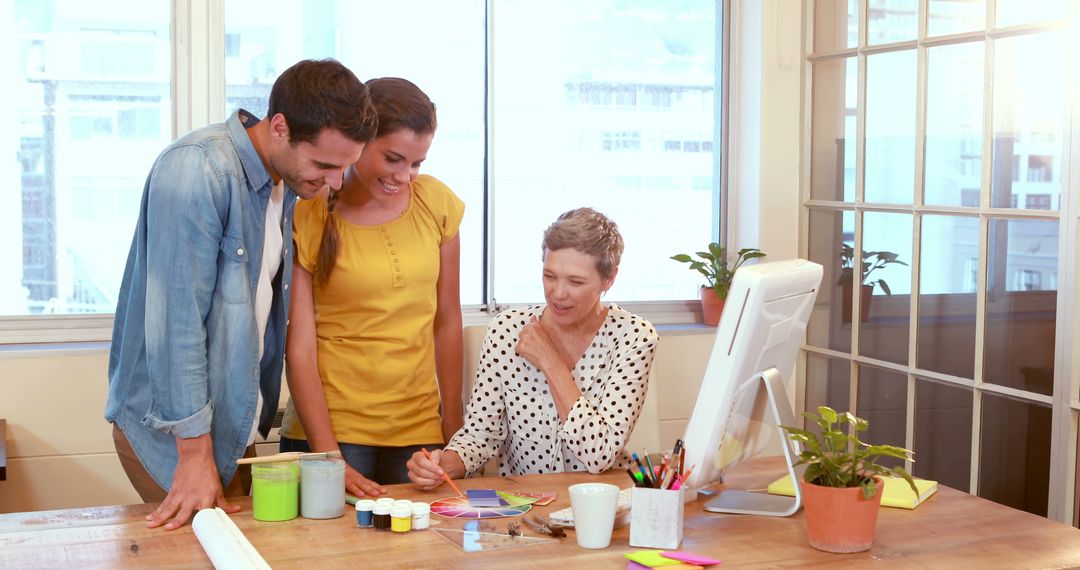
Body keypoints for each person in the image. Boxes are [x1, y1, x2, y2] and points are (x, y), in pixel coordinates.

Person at [104, 59, 378, 530]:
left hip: (229, 428)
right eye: (325, 165)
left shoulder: (286, 184)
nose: (334, 182)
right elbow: (176, 324)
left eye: (344, 168)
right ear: (279, 127)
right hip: (177, 435)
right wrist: (193, 453)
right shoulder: (199, 169)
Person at [279, 77, 464, 497]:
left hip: (419, 433)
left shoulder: (437, 204)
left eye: (417, 163)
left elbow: (447, 322)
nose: (405, 176)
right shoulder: (309, 212)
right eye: (393, 159)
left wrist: (455, 430)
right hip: (333, 433)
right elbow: (300, 347)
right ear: (360, 142)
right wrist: (329, 457)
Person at [406, 208, 659, 488]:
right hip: (526, 506)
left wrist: (550, 361)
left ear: (609, 278)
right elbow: (480, 436)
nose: (558, 293)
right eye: (549, 276)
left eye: (575, 282)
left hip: (603, 502)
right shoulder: (506, 331)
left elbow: (599, 454)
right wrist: (445, 463)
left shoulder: (633, 337)